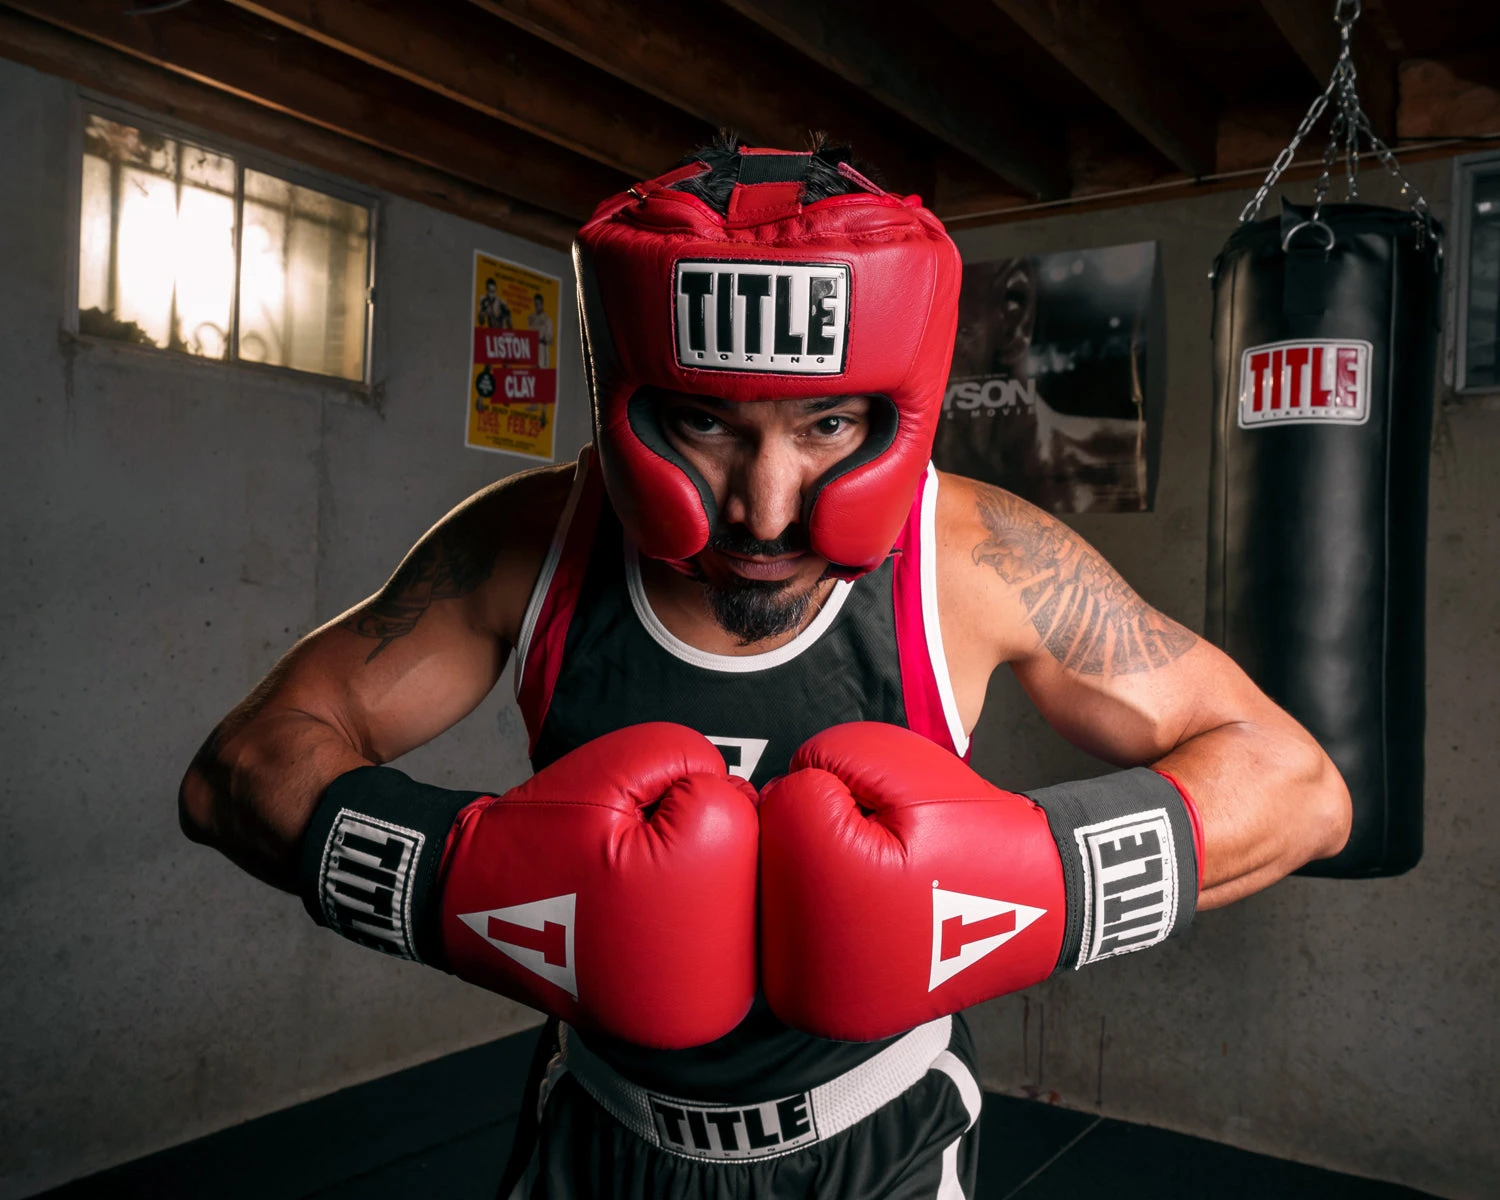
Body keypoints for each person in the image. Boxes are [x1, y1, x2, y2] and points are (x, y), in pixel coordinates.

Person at [179, 142, 1351, 1199]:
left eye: (828, 426)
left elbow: (1297, 786)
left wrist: (1016, 889)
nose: (768, 505)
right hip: (602, 1131)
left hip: (878, 1142)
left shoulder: (975, 559)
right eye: (705, 424)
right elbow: (238, 772)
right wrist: (461, 885)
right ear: (625, 402)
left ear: (900, 413)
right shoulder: (528, 546)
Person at [527, 292, 555, 370]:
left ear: (542, 304)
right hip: (533, 349)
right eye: (535, 304)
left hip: (543, 348)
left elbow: (550, 340)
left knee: (543, 371)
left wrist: (541, 338)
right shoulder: (532, 318)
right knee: (533, 372)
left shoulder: (547, 319)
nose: (537, 306)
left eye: (538, 304)